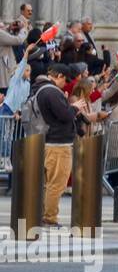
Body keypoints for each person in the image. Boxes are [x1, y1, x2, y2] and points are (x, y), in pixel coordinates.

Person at [32, 64, 77, 228]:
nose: (66, 84)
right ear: (58, 75)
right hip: (58, 143)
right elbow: (65, 116)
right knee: (57, 183)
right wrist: (74, 107)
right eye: (65, 80)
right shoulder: (51, 91)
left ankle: (44, 214)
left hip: (48, 141)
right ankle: (50, 217)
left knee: (49, 183)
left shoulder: (41, 89)